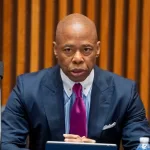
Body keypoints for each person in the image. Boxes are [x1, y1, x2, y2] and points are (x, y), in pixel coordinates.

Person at [1, 13, 150, 150]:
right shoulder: (27, 89)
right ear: (55, 49)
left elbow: (140, 145)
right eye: (68, 50)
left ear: (97, 49)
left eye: (86, 49)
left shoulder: (124, 93)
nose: (78, 58)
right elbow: (9, 143)